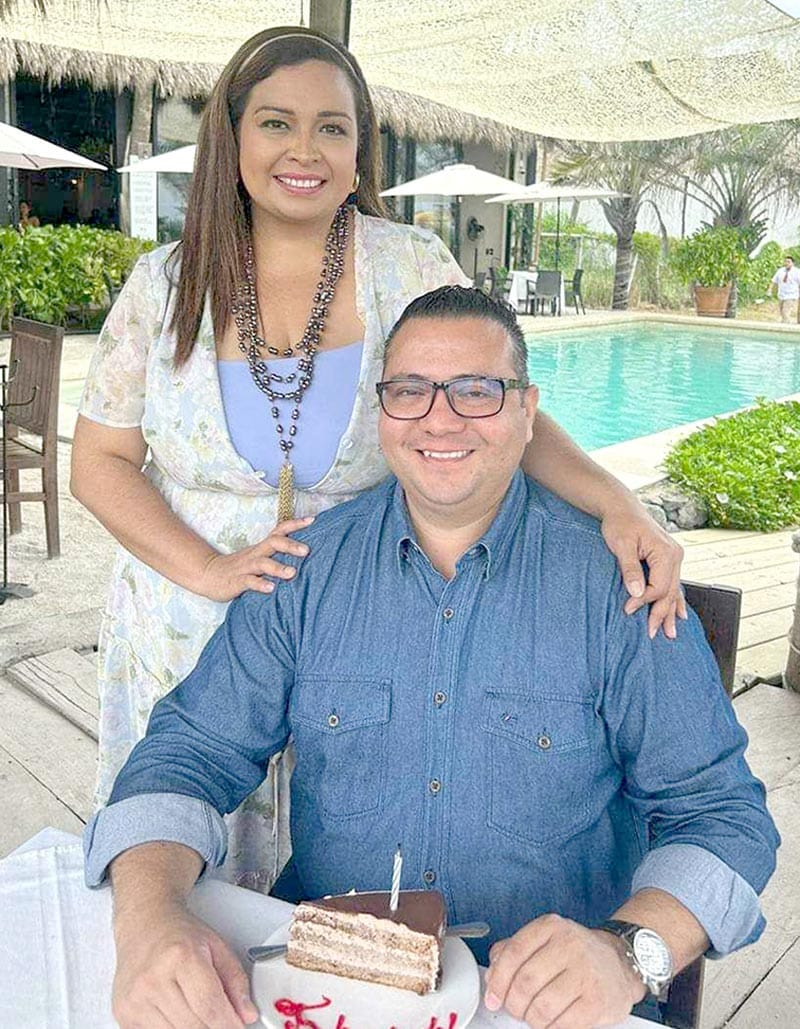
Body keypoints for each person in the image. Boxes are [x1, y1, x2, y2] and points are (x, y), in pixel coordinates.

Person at [71, 25, 685, 891]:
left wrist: (617, 502)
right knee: (189, 870)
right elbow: (99, 459)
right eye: (276, 123)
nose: (305, 150)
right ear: (232, 137)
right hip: (184, 627)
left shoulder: (409, 266)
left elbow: (495, 404)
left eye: (333, 127)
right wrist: (209, 568)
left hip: (367, 630)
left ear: (360, 152)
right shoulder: (164, 285)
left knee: (354, 870)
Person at [84, 287, 778, 1029]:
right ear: (381, 413)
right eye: (410, 390)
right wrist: (148, 919)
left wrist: (627, 951)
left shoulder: (622, 588)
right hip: (324, 992)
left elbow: (722, 816)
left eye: (477, 391)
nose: (439, 419)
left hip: (540, 1009)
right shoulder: (302, 572)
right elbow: (185, 753)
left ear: (527, 411)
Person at [767, 254, 800, 323]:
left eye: (788, 262)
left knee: (786, 311)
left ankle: (785, 325)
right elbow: (773, 281)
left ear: (792, 263)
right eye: (785, 261)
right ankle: (785, 324)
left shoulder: (797, 272)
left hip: (791, 295)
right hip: (781, 295)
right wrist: (769, 289)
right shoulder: (780, 271)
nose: (786, 263)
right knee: (782, 312)